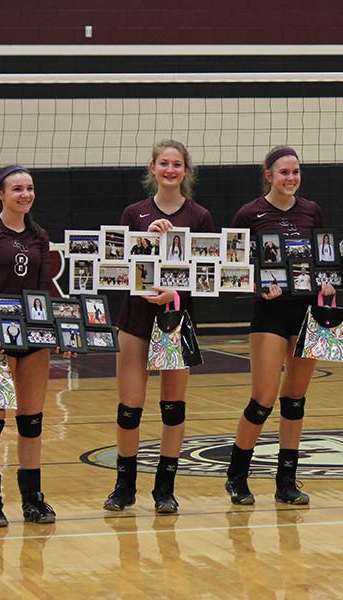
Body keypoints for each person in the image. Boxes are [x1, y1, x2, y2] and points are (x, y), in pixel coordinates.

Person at [103, 139, 215, 514]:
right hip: (135, 320)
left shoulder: (199, 216)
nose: (170, 170)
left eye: (177, 164)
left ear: (186, 171)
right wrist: (148, 240)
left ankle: (165, 488)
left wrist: (175, 293)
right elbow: (118, 270)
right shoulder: (133, 213)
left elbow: (206, 277)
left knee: (173, 407)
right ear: (152, 168)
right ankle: (125, 486)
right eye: (163, 163)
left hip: (175, 320)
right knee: (130, 407)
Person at [225, 146, 334, 506]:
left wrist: (328, 283)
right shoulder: (249, 214)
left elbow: (322, 260)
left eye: (296, 172)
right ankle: (237, 475)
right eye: (284, 172)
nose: (291, 178)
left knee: (295, 399)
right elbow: (232, 268)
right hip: (270, 314)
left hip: (307, 312)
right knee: (263, 399)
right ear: (268, 175)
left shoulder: (312, 211)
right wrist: (258, 287)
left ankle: (286, 481)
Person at [0, 165, 58, 526]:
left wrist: (56, 331)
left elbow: (42, 289)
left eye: (30, 188)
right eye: (17, 188)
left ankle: (33, 500)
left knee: (31, 422)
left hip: (31, 337)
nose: (25, 194)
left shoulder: (39, 235)